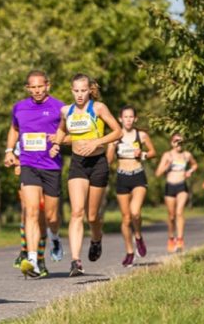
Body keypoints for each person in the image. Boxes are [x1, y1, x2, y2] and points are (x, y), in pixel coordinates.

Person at [50, 73, 122, 277]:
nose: (80, 95)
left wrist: (96, 142)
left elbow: (117, 131)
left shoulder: (98, 108)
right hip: (78, 165)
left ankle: (96, 239)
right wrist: (56, 144)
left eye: (83, 90)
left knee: (92, 216)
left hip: (98, 163)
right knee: (77, 212)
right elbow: (61, 132)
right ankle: (75, 261)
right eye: (76, 91)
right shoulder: (66, 111)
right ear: (71, 90)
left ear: (90, 90)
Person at [4, 70, 65, 278]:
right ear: (27, 88)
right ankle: (32, 260)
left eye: (41, 86)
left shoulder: (60, 108)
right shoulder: (19, 107)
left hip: (51, 166)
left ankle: (54, 236)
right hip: (28, 164)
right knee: (30, 211)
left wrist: (59, 141)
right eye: (33, 87)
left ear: (48, 85)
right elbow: (14, 129)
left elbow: (72, 135)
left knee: (51, 216)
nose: (37, 90)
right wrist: (9, 151)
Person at [107, 105, 156, 268]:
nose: (128, 120)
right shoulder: (115, 136)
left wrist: (142, 154)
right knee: (126, 218)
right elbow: (109, 160)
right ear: (120, 119)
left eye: (131, 117)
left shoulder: (140, 135)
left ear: (135, 119)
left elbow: (152, 152)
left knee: (135, 212)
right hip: (122, 177)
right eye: (125, 117)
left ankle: (139, 236)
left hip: (138, 176)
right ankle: (129, 252)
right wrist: (111, 146)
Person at [10, 144, 49, 277]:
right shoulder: (23, 128)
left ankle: (40, 257)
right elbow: (15, 155)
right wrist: (16, 163)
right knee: (27, 213)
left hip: (47, 173)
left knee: (42, 217)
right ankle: (25, 251)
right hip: (28, 174)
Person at [155, 133, 198, 252]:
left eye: (181, 141)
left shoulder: (186, 155)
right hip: (170, 186)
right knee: (171, 216)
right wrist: (166, 165)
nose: (178, 144)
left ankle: (180, 239)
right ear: (171, 143)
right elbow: (158, 173)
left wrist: (189, 171)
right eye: (176, 141)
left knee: (179, 212)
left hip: (181, 186)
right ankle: (171, 238)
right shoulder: (167, 155)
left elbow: (195, 165)